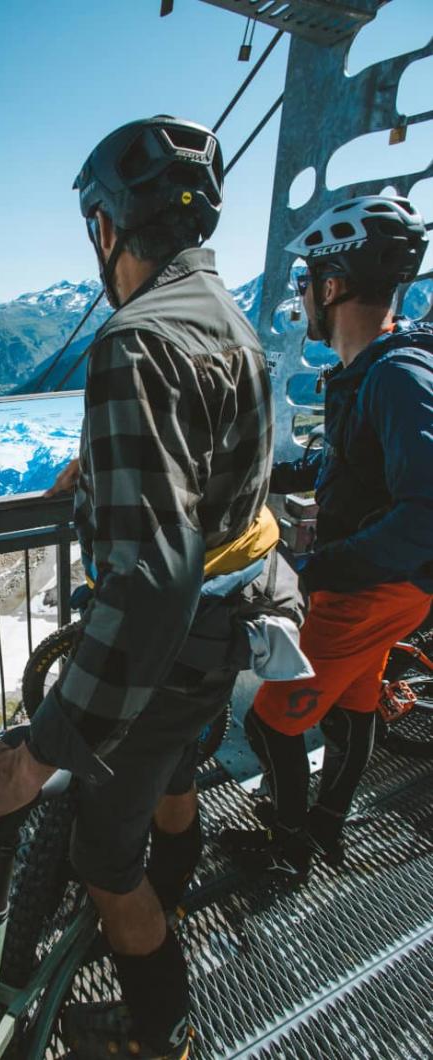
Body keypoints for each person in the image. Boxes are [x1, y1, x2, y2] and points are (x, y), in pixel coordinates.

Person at [0, 115, 280, 1058]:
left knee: (98, 858)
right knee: (172, 777)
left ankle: (161, 1032)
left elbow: (150, 582)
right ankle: (178, 885)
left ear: (105, 227)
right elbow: (221, 479)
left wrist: (33, 761)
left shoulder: (133, 342)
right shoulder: (234, 325)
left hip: (168, 656)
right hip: (227, 638)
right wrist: (111, 472)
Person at [221, 195, 433, 881]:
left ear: (333, 284)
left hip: (367, 587)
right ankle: (326, 828)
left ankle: (288, 850)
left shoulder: (394, 377)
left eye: (305, 280)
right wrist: (250, 471)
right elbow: (347, 463)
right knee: (353, 702)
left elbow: (426, 508)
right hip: (387, 586)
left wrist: (320, 567)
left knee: (268, 721)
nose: (301, 294)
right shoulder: (376, 369)